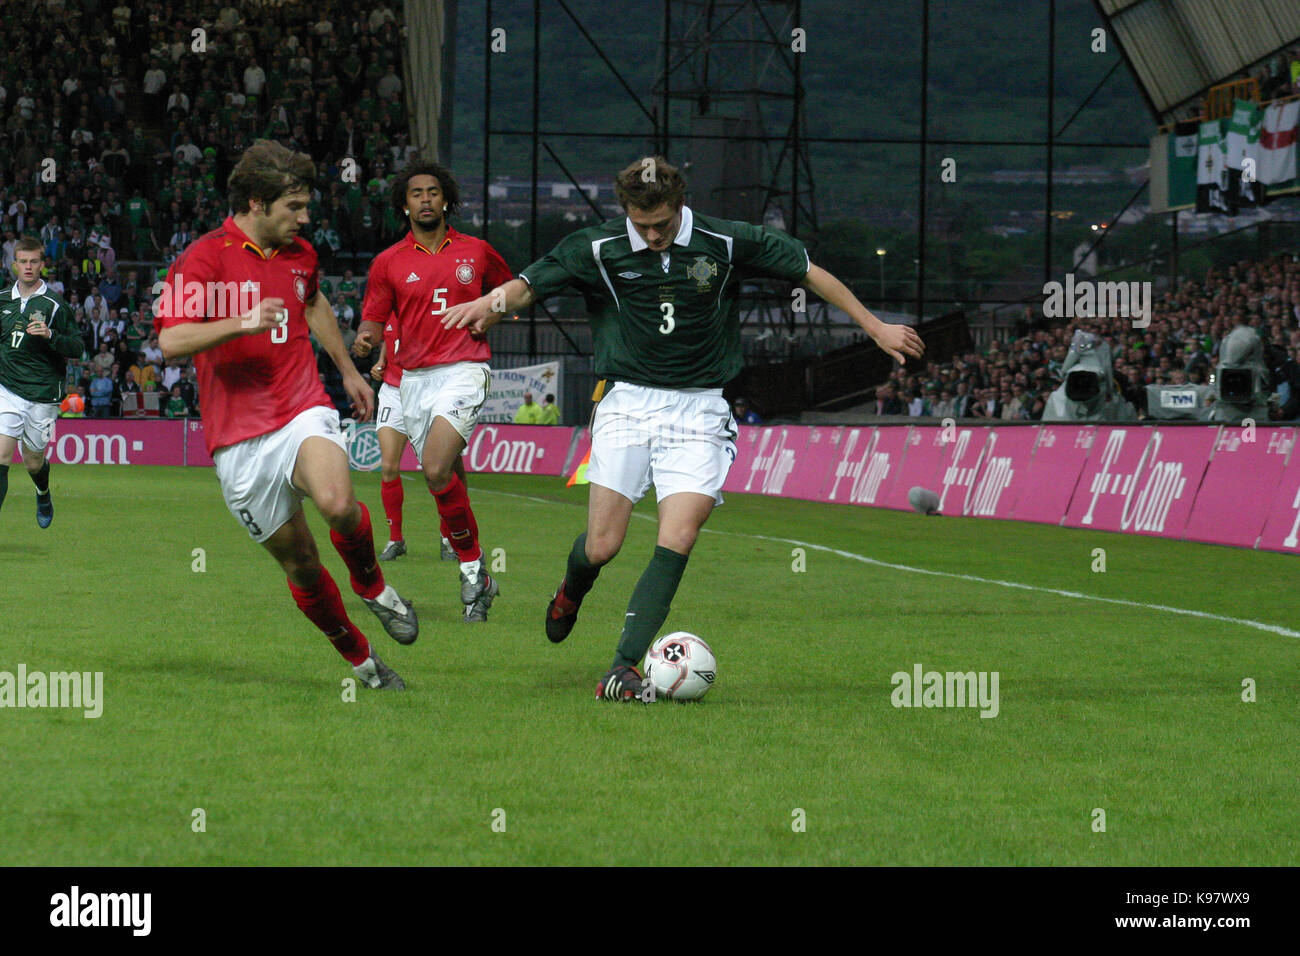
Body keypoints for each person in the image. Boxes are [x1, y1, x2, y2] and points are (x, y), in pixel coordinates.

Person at [441, 156, 924, 700]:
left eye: (663, 225)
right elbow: (528, 285)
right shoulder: (596, 247)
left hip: (701, 410)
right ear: (624, 210)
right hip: (626, 403)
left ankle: (622, 667)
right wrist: (491, 302)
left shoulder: (726, 241)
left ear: (680, 206)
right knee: (602, 546)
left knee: (679, 535)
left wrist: (875, 325)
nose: (652, 236)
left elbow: (808, 272)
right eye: (641, 225)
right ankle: (572, 588)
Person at [156, 139, 417, 690]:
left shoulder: (300, 254)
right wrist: (242, 322)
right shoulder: (201, 258)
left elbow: (313, 301)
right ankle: (362, 661)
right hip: (236, 440)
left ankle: (372, 586)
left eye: (305, 206)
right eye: (292, 208)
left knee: (338, 503)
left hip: (301, 407)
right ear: (255, 202)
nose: (304, 218)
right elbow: (173, 339)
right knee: (300, 565)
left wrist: (345, 368)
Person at [353, 161, 512, 622]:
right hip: (414, 381)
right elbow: (374, 317)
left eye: (434, 192)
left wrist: (490, 313)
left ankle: (469, 570)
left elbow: (511, 292)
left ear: (446, 201)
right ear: (404, 205)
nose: (426, 199)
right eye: (416, 193)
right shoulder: (388, 262)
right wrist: (366, 339)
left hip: (465, 368)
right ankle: (477, 573)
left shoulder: (477, 251)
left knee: (438, 466)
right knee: (440, 477)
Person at [0, 238, 84, 527]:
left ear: (42, 264)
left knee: (33, 461)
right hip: (7, 388)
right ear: (14, 264)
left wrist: (51, 337)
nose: (28, 266)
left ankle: (43, 491)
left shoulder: (55, 305)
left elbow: (77, 348)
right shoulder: (2, 298)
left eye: (34, 261)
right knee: (1, 455)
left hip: (43, 394)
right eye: (23, 261)